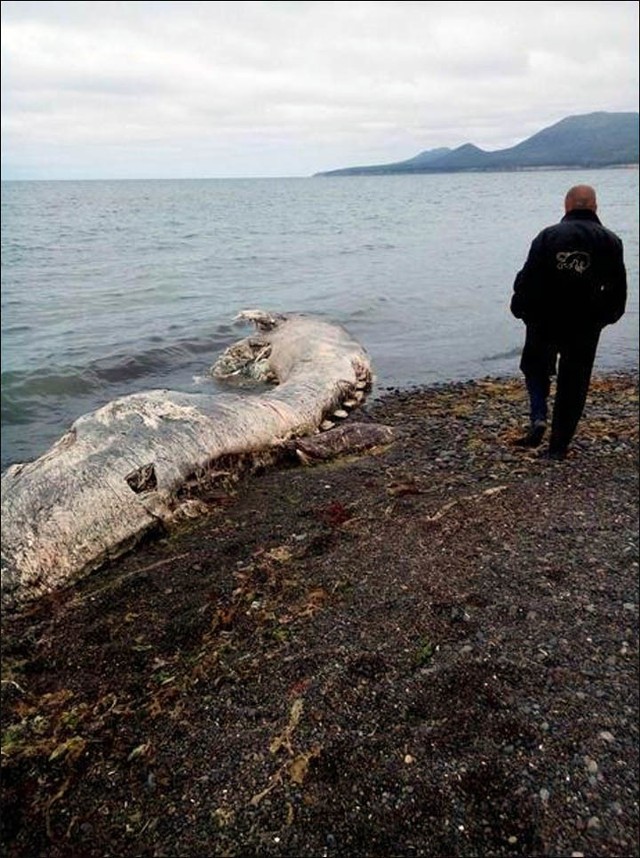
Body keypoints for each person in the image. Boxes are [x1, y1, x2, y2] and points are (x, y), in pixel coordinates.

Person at [510, 184, 627, 460]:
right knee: (574, 382)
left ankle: (538, 416)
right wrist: (605, 318)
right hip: (585, 322)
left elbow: (528, 279)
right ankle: (557, 447)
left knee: (535, 367)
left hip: (544, 318)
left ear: (567, 206)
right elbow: (617, 290)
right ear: (595, 208)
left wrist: (520, 308)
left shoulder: (548, 236)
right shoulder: (611, 241)